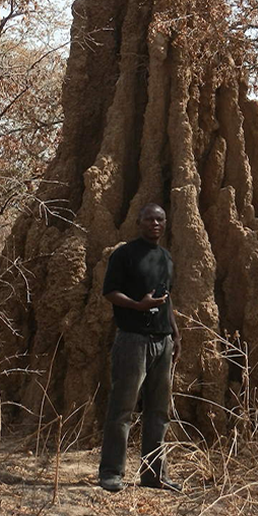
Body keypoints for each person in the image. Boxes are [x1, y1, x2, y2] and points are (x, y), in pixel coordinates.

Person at [97, 203, 182, 493]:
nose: (155, 224)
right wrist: (137, 305)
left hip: (163, 342)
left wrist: (175, 332)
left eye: (160, 219)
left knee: (159, 412)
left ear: (166, 223)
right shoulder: (124, 254)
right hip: (133, 340)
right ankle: (111, 473)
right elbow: (109, 292)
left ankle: (153, 474)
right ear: (139, 221)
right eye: (149, 219)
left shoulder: (166, 258)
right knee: (122, 408)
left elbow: (167, 299)